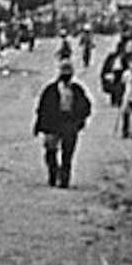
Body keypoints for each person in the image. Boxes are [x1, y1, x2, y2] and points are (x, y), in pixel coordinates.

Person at [34, 58, 92, 188]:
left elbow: (86, 107)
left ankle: (65, 179)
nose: (66, 76)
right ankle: (53, 175)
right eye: (63, 72)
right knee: (50, 152)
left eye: (68, 72)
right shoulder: (50, 90)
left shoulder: (77, 90)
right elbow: (42, 108)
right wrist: (40, 126)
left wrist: (79, 121)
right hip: (53, 124)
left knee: (68, 154)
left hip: (69, 124)